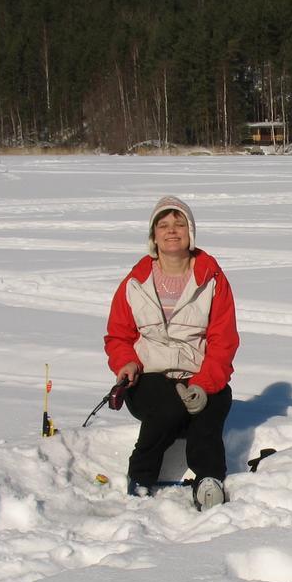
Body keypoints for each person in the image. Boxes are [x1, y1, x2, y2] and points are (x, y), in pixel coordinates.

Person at [104, 196, 240, 510]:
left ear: (190, 232)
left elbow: (224, 341)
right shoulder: (135, 282)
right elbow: (118, 336)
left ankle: (209, 481)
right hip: (149, 375)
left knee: (211, 410)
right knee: (167, 408)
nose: (172, 231)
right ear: (153, 236)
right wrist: (125, 363)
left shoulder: (213, 280)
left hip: (198, 373)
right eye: (163, 225)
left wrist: (204, 385)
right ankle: (140, 477)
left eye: (179, 224)